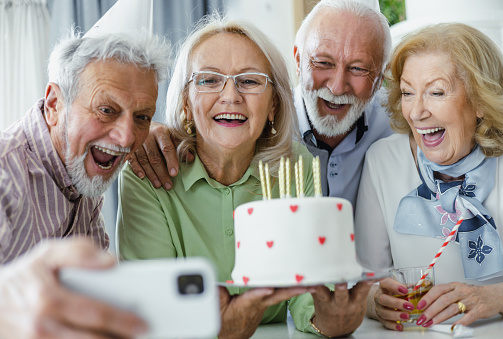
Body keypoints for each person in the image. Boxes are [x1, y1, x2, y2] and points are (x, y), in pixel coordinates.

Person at [117, 16, 371, 338]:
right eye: (209, 80)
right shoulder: (147, 172)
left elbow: (311, 297)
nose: (231, 96)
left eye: (249, 81)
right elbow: (150, 305)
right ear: (186, 100)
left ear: (274, 106)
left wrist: (331, 321)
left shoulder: (297, 165)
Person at [127, 0, 393, 209]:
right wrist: (145, 135)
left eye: (358, 69)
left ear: (381, 77)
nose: (336, 86)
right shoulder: (255, 133)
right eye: (323, 63)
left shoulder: (402, 127)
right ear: (298, 59)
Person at [0, 30, 170, 338]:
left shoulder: (83, 173)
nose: (128, 137)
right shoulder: (5, 175)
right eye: (107, 110)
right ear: (54, 105)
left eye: (143, 117)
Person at [354, 23, 503, 331]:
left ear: (480, 101)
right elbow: (366, 278)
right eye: (408, 93)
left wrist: (499, 297)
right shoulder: (383, 161)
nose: (416, 112)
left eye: (436, 92)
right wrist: (375, 302)